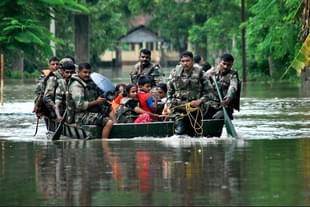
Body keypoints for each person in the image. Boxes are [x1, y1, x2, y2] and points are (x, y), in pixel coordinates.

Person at [67, 63, 114, 139]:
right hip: (80, 115)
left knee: (110, 108)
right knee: (108, 122)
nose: (87, 74)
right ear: (78, 72)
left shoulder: (89, 82)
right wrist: (97, 102)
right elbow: (80, 105)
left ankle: (116, 127)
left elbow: (96, 95)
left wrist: (103, 99)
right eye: (85, 72)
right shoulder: (76, 86)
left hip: (91, 111)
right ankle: (104, 143)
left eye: (89, 72)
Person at [166, 51, 207, 136]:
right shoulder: (174, 73)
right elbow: (169, 91)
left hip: (195, 108)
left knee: (195, 133)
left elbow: (210, 93)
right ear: (180, 62)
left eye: (187, 61)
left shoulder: (201, 73)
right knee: (180, 132)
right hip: (178, 108)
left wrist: (200, 101)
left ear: (192, 61)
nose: (185, 63)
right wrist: (169, 104)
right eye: (183, 61)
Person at [204, 53, 240, 120]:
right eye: (224, 64)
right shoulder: (210, 72)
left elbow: (233, 87)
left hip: (224, 106)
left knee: (218, 117)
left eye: (229, 65)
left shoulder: (233, 75)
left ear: (232, 65)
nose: (226, 67)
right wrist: (207, 76)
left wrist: (228, 98)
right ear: (220, 62)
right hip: (209, 105)